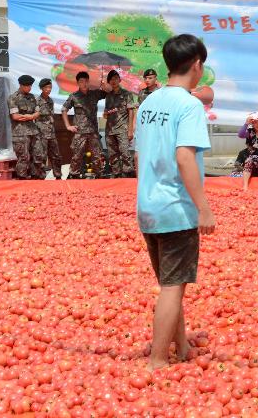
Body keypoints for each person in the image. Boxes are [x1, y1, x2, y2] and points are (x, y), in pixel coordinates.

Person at [135, 34, 215, 372]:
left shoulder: (148, 103)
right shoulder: (189, 105)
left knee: (172, 283)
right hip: (176, 207)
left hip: (148, 206)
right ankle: (157, 359)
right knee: (172, 286)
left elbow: (140, 157)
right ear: (196, 64)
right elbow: (184, 157)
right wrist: (203, 207)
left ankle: (180, 346)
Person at [62, 71, 110, 179]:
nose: (84, 83)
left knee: (97, 156)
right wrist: (68, 126)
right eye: (81, 81)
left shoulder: (95, 94)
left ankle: (100, 177)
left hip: (93, 131)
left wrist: (104, 86)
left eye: (86, 81)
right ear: (78, 83)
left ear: (88, 82)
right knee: (77, 156)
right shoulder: (74, 96)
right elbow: (64, 110)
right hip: (80, 132)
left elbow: (109, 93)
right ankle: (74, 176)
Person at [7, 74, 44, 180]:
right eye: (27, 86)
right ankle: (22, 178)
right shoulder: (13, 98)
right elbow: (15, 116)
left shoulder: (32, 97)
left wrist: (31, 116)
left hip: (33, 131)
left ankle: (35, 177)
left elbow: (38, 112)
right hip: (20, 133)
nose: (29, 88)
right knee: (23, 157)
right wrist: (29, 116)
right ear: (21, 85)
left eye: (30, 86)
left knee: (38, 155)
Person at [103, 70, 137, 178]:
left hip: (123, 128)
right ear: (109, 81)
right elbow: (106, 114)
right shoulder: (108, 96)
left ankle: (128, 174)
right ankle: (116, 174)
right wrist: (105, 114)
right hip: (110, 129)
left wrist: (131, 130)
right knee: (112, 155)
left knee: (125, 153)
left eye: (116, 78)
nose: (114, 81)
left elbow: (131, 111)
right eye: (111, 79)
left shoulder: (127, 94)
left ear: (120, 80)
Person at [35, 79, 63, 179]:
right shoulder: (37, 101)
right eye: (46, 87)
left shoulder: (50, 100)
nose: (49, 89)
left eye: (50, 87)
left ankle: (58, 176)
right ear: (41, 88)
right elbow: (35, 116)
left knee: (56, 155)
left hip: (51, 133)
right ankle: (41, 177)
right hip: (41, 133)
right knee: (41, 156)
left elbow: (51, 115)